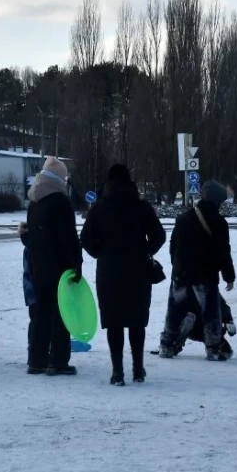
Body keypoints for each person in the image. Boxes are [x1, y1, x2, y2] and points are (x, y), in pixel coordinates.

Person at [81, 164, 166, 386]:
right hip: (138, 270)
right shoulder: (142, 207)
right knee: (137, 321)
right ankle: (138, 368)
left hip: (109, 271)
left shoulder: (98, 208)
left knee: (114, 321)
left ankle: (117, 371)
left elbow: (86, 240)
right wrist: (145, 250)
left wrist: (102, 253)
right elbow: (159, 235)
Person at [160, 180, 235, 361]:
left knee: (175, 310)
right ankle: (213, 349)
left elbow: (173, 246)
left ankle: (167, 345)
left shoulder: (183, 218)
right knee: (210, 312)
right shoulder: (218, 222)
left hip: (181, 272)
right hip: (205, 274)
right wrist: (229, 277)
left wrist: (177, 266)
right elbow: (223, 252)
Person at [25, 157, 82, 376]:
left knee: (41, 312)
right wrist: (76, 265)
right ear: (59, 178)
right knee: (61, 314)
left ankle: (36, 360)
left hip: (38, 266)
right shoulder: (60, 201)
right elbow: (68, 237)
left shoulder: (34, 201)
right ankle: (58, 361)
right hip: (59, 266)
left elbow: (30, 237)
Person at [155, 295, 236, 360]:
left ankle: (215, 349)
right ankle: (174, 345)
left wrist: (228, 320)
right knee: (189, 318)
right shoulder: (183, 292)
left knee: (226, 353)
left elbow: (222, 305)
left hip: (207, 329)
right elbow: (174, 313)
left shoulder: (208, 290)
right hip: (189, 326)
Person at [18, 222, 37, 356]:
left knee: (35, 319)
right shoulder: (33, 247)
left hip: (31, 290)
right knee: (38, 319)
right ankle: (36, 349)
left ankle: (34, 349)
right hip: (36, 289)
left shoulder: (29, 246)